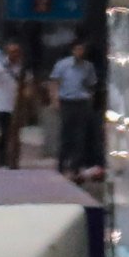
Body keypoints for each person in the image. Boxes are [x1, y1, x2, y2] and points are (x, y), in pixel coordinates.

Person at [52, 37, 100, 176]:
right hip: (67, 101)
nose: (80, 52)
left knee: (79, 135)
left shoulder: (88, 67)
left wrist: (90, 100)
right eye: (78, 49)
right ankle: (61, 164)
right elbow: (54, 82)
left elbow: (92, 85)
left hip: (81, 102)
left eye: (82, 50)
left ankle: (75, 166)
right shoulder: (62, 65)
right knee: (65, 134)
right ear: (73, 50)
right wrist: (55, 100)